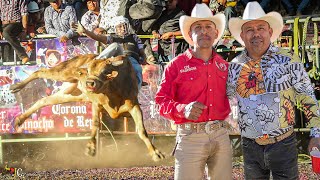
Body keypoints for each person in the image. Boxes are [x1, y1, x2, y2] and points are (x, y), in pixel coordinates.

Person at [227, 2, 320, 179]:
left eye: (260, 28)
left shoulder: (288, 59)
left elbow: (307, 96)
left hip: (283, 144)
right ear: (242, 36)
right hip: (250, 146)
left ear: (270, 32)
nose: (255, 34)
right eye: (249, 29)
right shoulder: (235, 66)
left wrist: (317, 134)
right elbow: (226, 100)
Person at [155, 3, 232, 180]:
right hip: (189, 136)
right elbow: (160, 101)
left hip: (221, 134)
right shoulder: (175, 65)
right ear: (190, 35)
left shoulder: (225, 67)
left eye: (208, 27)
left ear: (216, 33)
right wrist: (183, 109)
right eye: (198, 27)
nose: (204, 31)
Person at [75, 16, 145, 89]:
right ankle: (94, 63)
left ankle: (136, 89)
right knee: (115, 45)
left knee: (138, 68)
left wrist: (144, 57)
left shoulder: (134, 37)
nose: (123, 28)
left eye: (125, 26)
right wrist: (85, 31)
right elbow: (97, 37)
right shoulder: (112, 37)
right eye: (120, 26)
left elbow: (141, 50)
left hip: (131, 60)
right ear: (115, 28)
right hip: (117, 59)